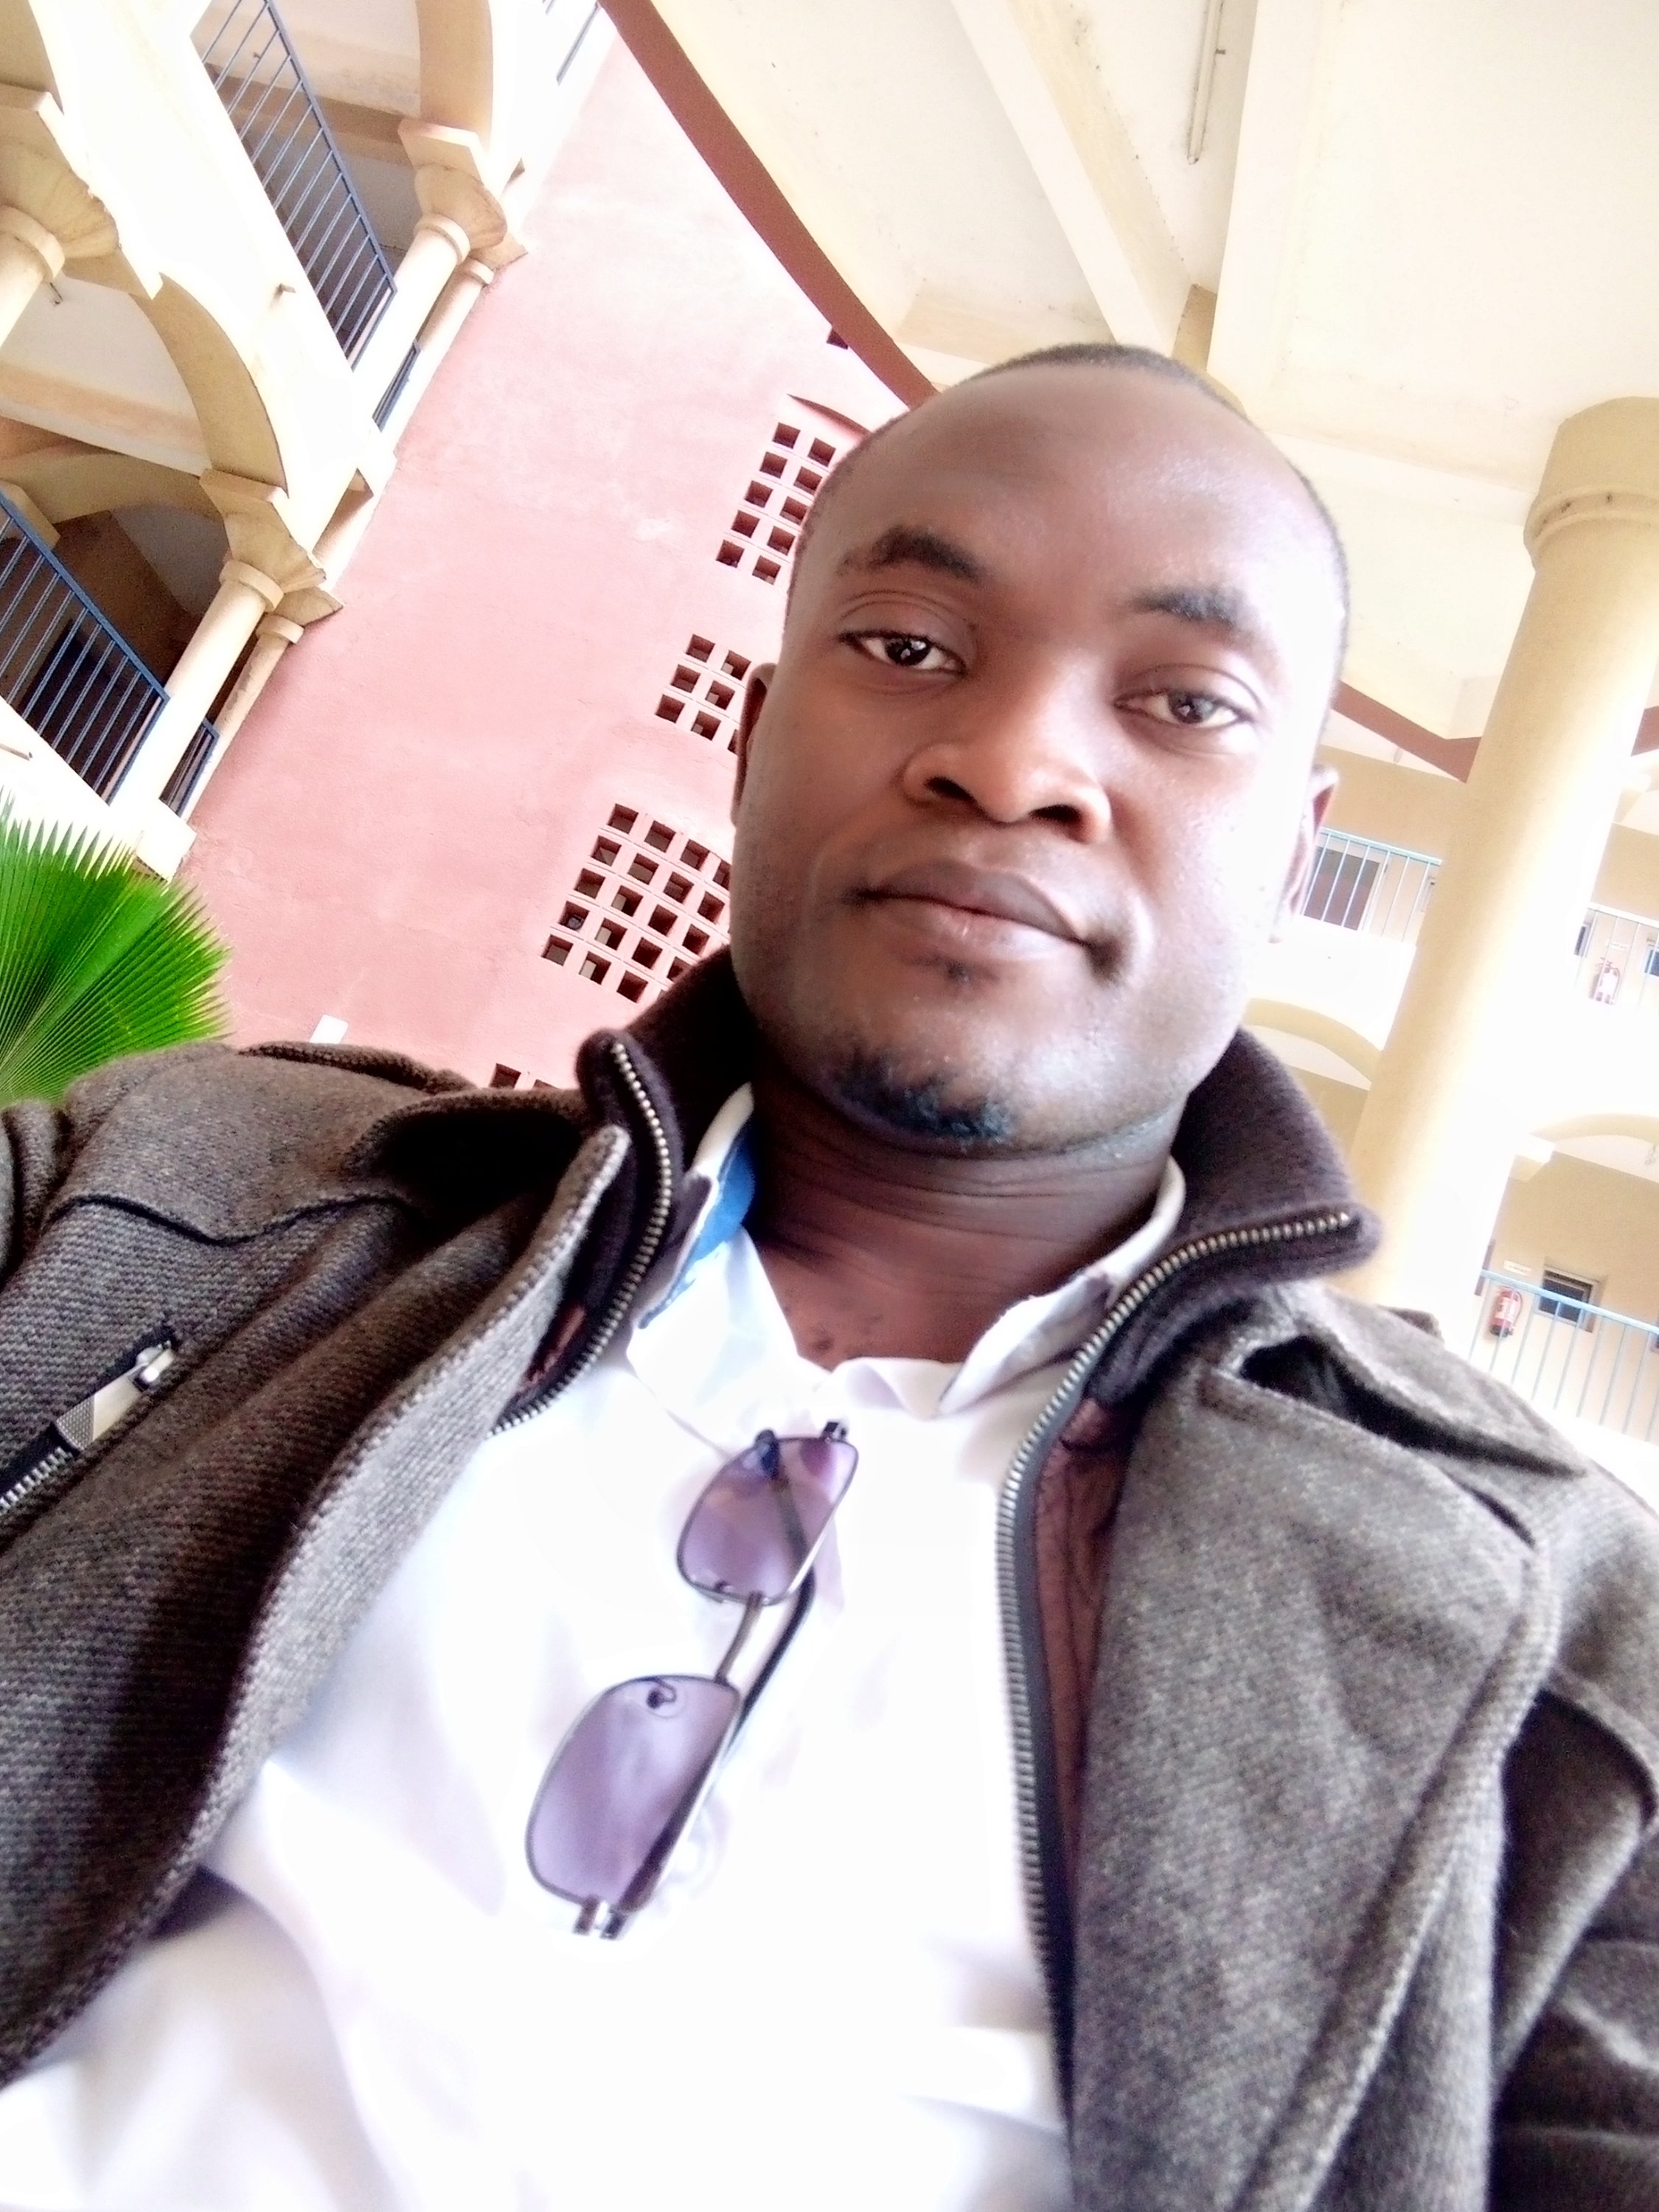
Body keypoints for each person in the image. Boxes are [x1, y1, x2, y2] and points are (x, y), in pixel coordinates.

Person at [0, 345, 1655, 2212]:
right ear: (756, 736)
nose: (1013, 763)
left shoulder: (1557, 1624)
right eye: (911, 647)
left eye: (1185, 702)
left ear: (1295, 850)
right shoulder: (182, 1195)